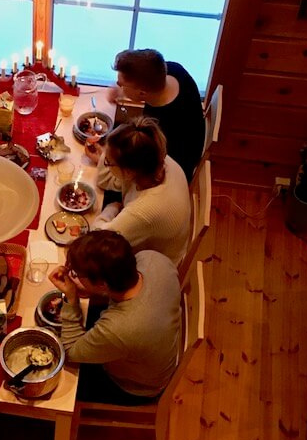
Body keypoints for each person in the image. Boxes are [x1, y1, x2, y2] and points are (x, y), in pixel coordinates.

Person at [49, 230, 181, 403]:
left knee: (57, 377)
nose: (75, 276)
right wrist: (90, 288)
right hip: (154, 348)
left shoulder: (121, 327)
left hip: (135, 387)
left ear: (103, 284)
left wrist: (71, 298)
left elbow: (71, 351)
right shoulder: (152, 258)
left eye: (78, 275)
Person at [86, 116, 190, 265]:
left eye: (109, 162)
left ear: (128, 172)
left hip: (154, 264)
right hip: (154, 240)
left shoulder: (144, 210)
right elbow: (106, 182)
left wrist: (111, 209)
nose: (105, 162)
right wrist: (104, 155)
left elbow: (97, 241)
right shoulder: (155, 160)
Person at [106, 49, 204, 182]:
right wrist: (122, 90)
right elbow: (145, 70)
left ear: (142, 93)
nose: (118, 86)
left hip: (170, 170)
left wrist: (109, 161)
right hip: (187, 138)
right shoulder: (173, 70)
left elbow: (144, 169)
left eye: (121, 84)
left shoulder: (161, 126)